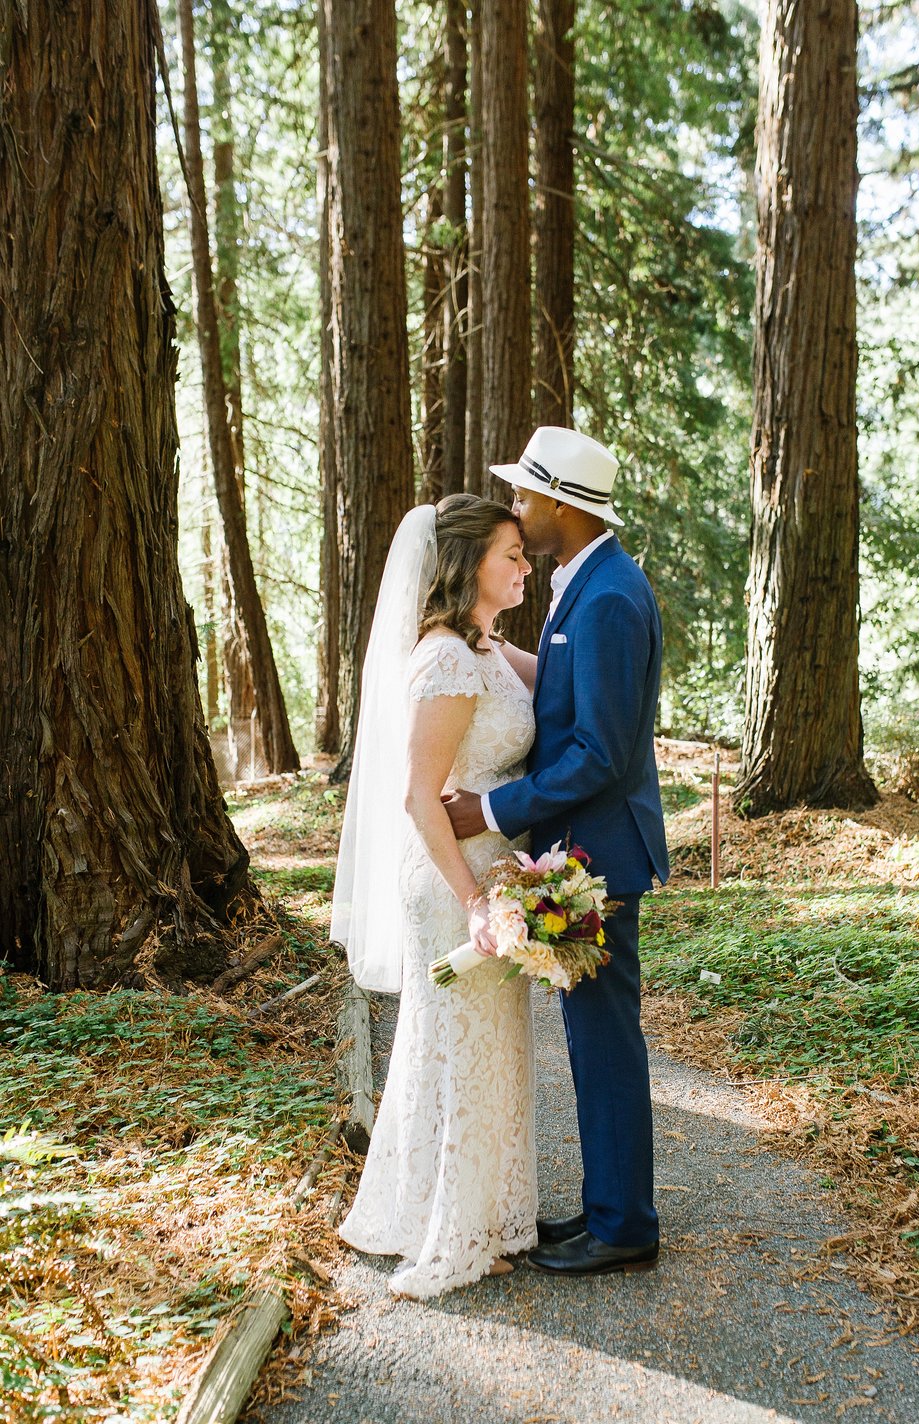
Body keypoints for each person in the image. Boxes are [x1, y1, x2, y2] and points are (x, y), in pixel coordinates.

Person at [446, 426, 670, 1277]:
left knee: (604, 1036)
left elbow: (601, 753)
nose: (516, 507)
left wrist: (493, 807)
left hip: (599, 855)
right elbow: (574, 693)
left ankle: (625, 1228)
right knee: (593, 1035)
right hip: (586, 848)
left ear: (563, 506)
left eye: (526, 496)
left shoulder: (610, 596)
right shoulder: (589, 582)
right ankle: (610, 1207)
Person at [332, 493, 538, 1300]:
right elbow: (421, 797)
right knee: (454, 1048)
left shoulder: (487, 649)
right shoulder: (446, 658)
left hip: (497, 872)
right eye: (510, 555)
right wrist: (476, 899)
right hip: (453, 879)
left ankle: (480, 1218)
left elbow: (560, 674)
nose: (525, 568)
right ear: (465, 565)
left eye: (525, 554)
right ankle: (444, 1233)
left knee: (490, 1048)